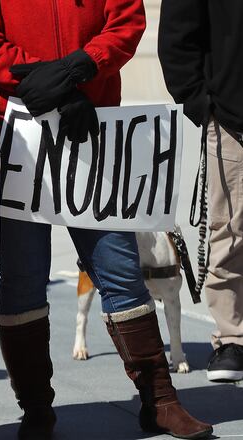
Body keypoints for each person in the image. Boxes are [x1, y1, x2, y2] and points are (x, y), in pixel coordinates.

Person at [0, 0, 213, 438]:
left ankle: (160, 401)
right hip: (13, 130)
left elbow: (127, 21)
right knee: (20, 279)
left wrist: (79, 68)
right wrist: (55, 84)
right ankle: (36, 409)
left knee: (121, 270)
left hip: (94, 128)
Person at [159, 0, 243, 384]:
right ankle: (232, 338)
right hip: (231, 117)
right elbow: (178, 34)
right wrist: (200, 102)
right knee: (230, 232)